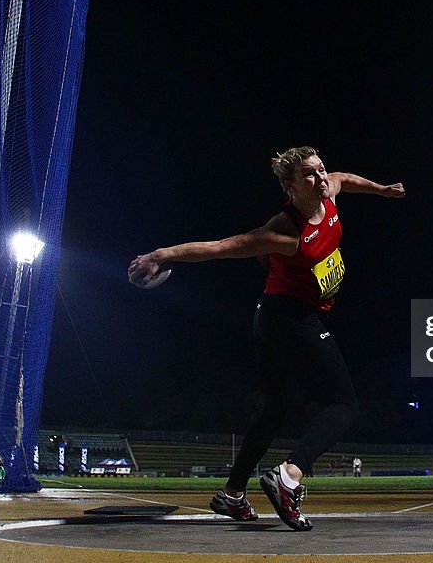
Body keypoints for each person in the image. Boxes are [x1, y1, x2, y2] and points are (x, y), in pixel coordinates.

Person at [129, 146, 404, 531]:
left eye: (320, 169)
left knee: (275, 408)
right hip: (291, 319)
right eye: (309, 175)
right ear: (290, 186)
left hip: (276, 318)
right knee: (342, 405)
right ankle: (289, 475)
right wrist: (162, 254)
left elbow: (346, 179)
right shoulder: (283, 231)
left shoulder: (330, 192)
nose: (321, 178)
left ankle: (233, 495)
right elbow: (220, 248)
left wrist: (381, 189)